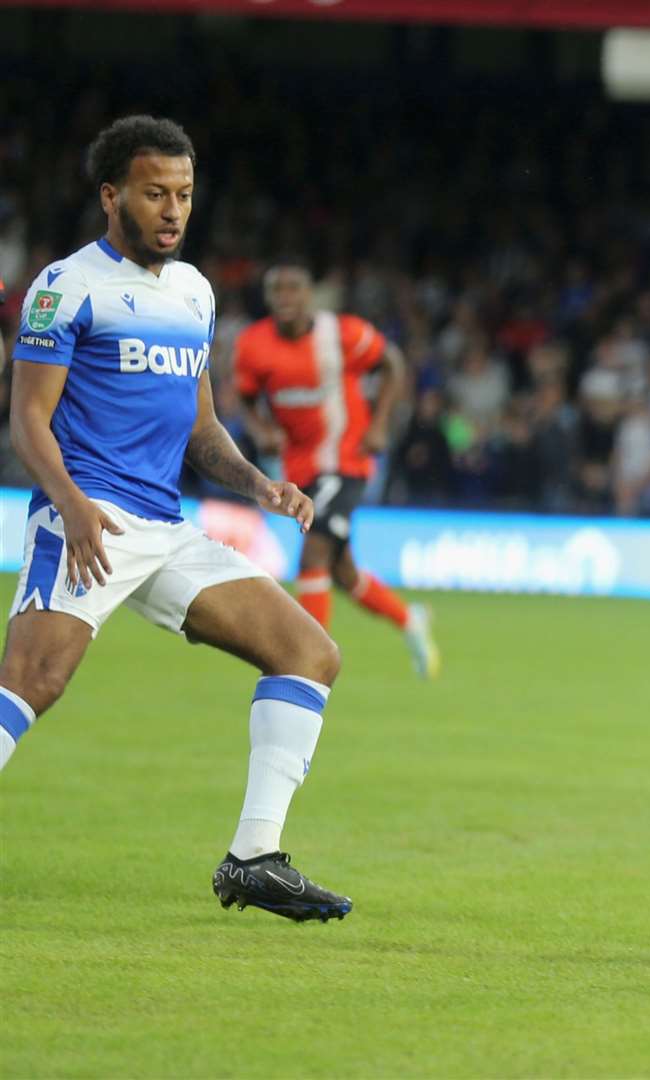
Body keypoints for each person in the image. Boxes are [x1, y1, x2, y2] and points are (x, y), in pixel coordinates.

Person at [1, 115, 351, 920]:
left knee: (308, 652)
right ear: (111, 194)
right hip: (87, 518)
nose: (172, 209)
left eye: (185, 194)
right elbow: (27, 419)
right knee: (31, 683)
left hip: (163, 528)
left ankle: (254, 859)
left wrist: (257, 482)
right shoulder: (67, 286)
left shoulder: (193, 292)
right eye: (156, 192)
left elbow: (200, 427)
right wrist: (72, 506)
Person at [233, 262, 439, 678]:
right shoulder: (254, 345)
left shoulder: (342, 333)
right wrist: (261, 429)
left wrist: (380, 423)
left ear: (309, 295)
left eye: (294, 289)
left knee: (314, 551)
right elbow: (245, 396)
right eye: (277, 290)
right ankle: (410, 621)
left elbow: (393, 363)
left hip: (346, 459)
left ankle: (309, 658)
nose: (286, 298)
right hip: (299, 468)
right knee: (342, 572)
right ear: (269, 298)